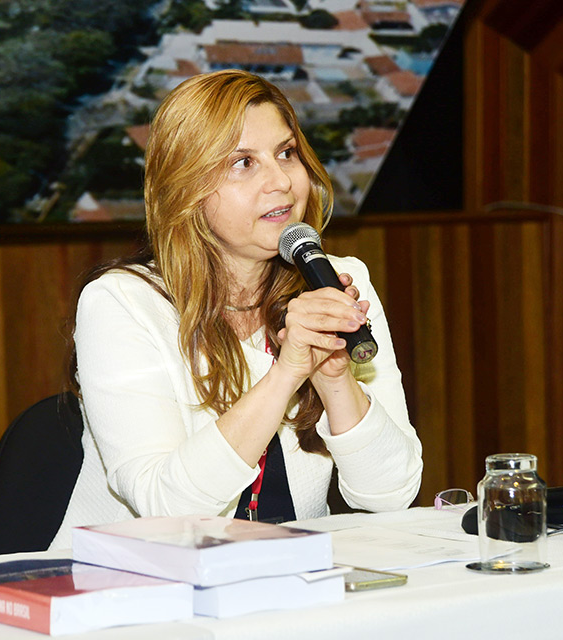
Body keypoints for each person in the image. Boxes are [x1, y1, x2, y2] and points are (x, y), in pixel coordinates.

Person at [49, 70, 422, 549]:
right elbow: (166, 510)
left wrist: (334, 378)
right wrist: (286, 374)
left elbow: (391, 493)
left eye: (286, 154)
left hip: (288, 583)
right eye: (243, 163)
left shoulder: (338, 282)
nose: (282, 182)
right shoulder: (123, 303)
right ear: (185, 189)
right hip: (130, 591)